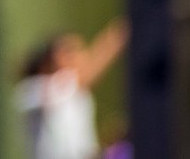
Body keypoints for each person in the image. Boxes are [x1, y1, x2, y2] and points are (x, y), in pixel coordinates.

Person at [17, 20, 128, 159]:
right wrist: (120, 33)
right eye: (72, 52)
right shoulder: (33, 88)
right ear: (52, 59)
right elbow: (87, 74)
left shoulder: (77, 93)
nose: (81, 57)